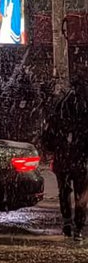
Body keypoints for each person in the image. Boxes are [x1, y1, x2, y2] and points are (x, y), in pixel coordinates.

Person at [40, 78, 88, 240]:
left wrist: (53, 148)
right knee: (80, 194)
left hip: (63, 159)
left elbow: (48, 137)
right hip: (81, 160)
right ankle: (78, 226)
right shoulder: (83, 110)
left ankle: (67, 222)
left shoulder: (60, 110)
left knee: (64, 191)